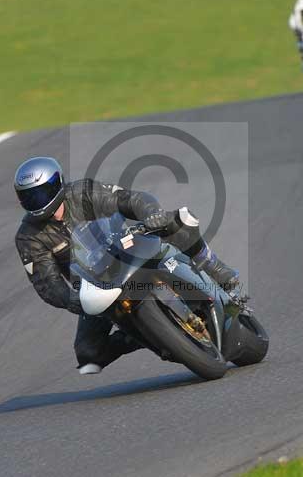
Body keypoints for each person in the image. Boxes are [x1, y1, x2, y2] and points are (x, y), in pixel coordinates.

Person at [13, 156, 242, 375]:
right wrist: (74, 301)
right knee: (88, 354)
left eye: (43, 193)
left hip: (130, 247)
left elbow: (129, 199)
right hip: (96, 286)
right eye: (31, 197)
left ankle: (213, 266)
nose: (39, 201)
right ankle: (144, 335)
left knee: (176, 221)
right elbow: (47, 283)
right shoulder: (29, 238)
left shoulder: (82, 193)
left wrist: (152, 214)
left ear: (58, 184)